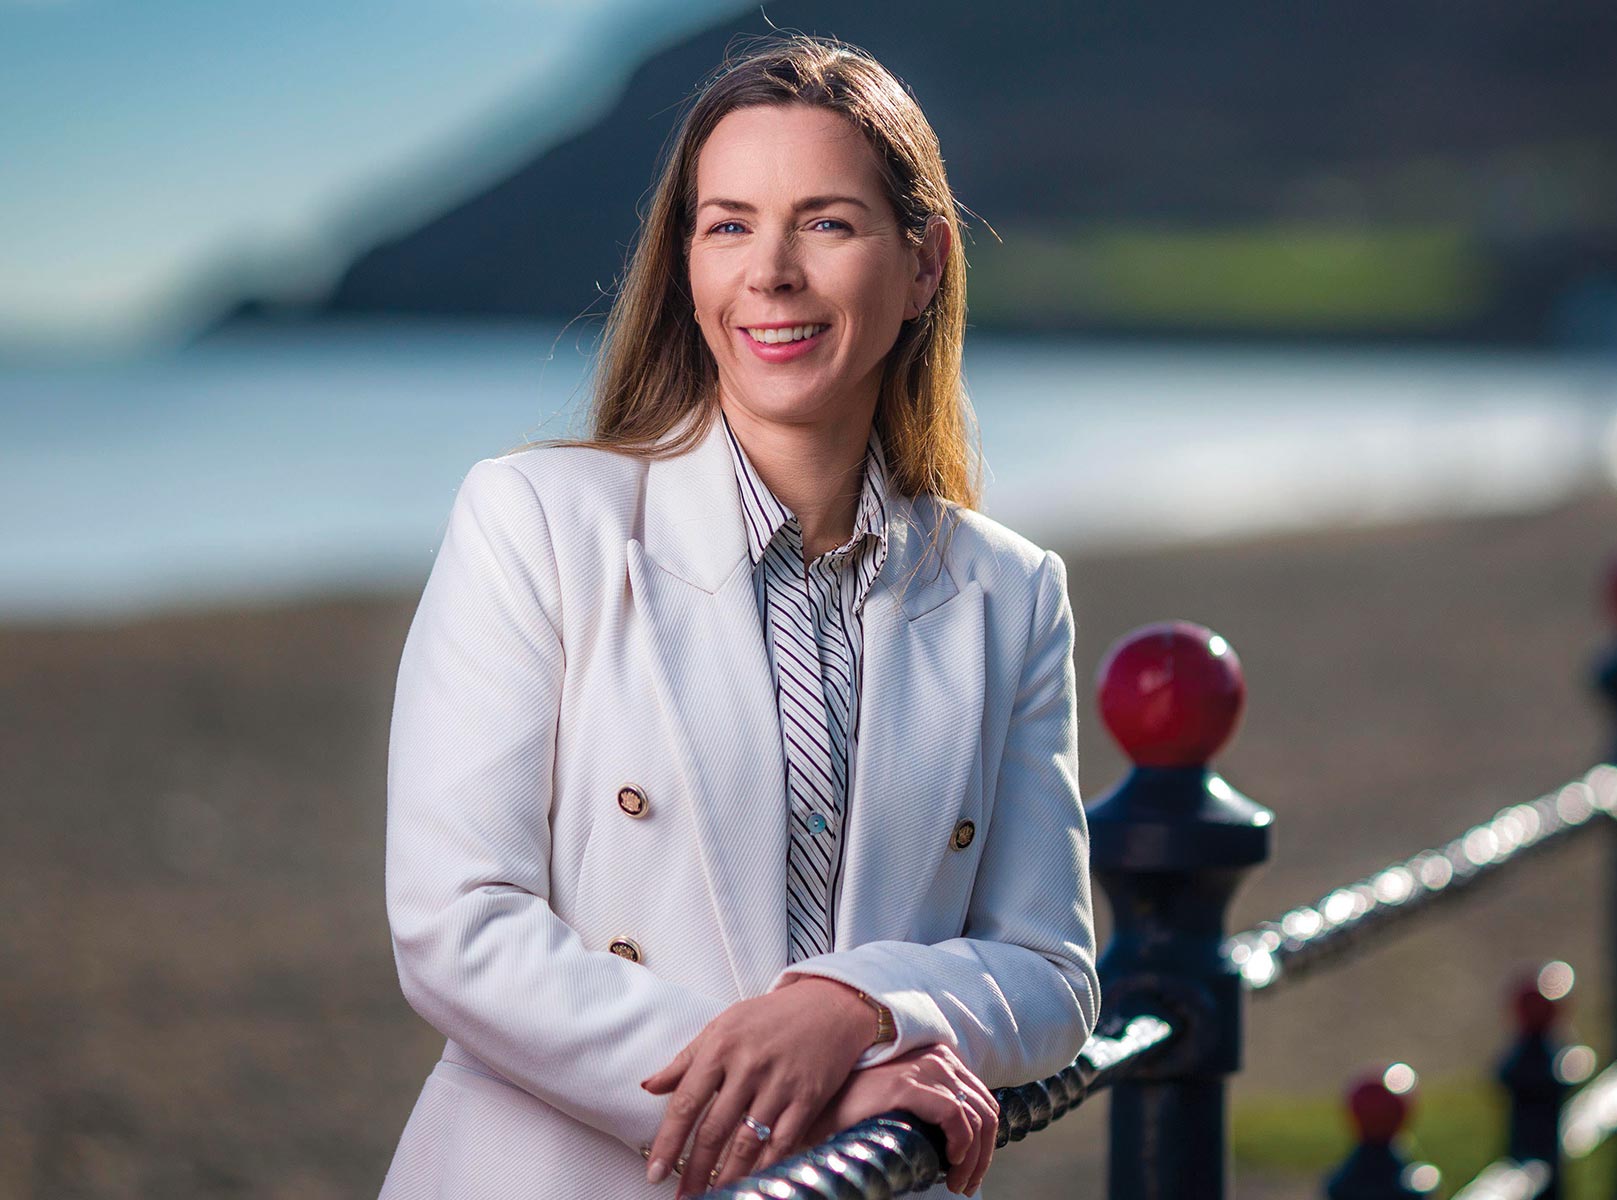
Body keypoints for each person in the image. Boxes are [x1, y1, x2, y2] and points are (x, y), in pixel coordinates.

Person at [378, 34, 1099, 1200]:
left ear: (924, 265)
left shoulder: (1008, 593)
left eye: (827, 223)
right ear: (686, 264)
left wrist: (858, 1008)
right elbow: (456, 929)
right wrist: (800, 1098)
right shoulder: (536, 522)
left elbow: (1051, 973)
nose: (770, 272)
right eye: (728, 225)